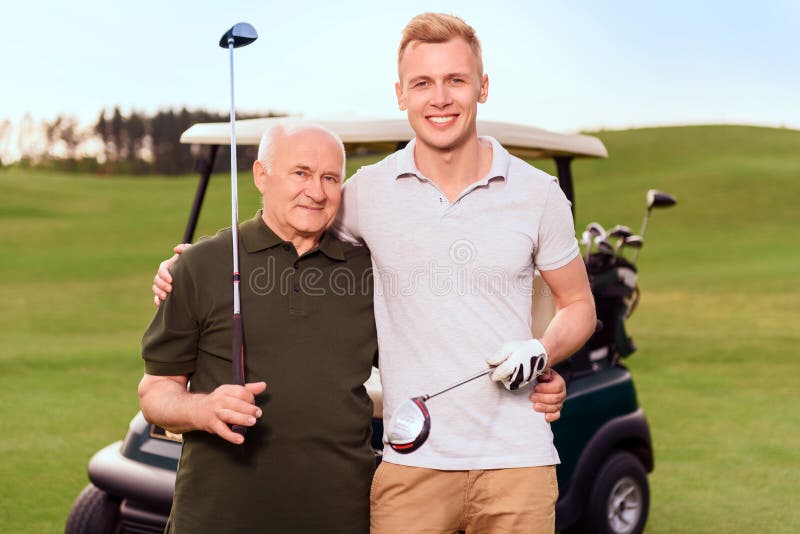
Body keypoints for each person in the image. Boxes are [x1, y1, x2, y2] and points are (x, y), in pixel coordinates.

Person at [152, 12, 585, 533]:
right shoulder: (364, 194)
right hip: (411, 460)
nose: (440, 98)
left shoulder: (538, 194)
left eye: (456, 80)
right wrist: (193, 264)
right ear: (401, 94)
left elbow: (577, 305)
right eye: (422, 82)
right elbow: (291, 225)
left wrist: (543, 353)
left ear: (482, 87)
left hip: (517, 458)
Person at [138, 123, 379, 533]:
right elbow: (156, 392)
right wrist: (202, 408)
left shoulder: (371, 271)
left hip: (339, 516)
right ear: (260, 176)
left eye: (330, 178)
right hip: (217, 517)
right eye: (300, 173)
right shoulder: (202, 264)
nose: (317, 192)